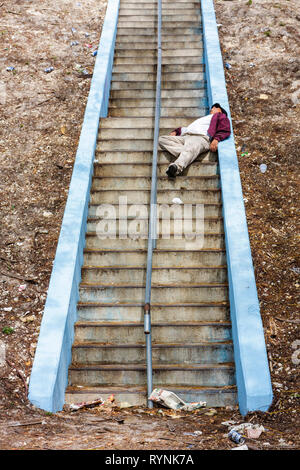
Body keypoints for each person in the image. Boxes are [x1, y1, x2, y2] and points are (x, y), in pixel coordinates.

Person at [158, 103, 231, 177]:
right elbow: (187, 128)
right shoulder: (203, 119)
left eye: (215, 107)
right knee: (162, 139)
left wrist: (216, 139)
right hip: (186, 136)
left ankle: (176, 167)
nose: (212, 109)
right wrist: (176, 131)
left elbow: (225, 129)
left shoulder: (220, 116)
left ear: (220, 110)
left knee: (191, 147)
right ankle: (188, 153)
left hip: (200, 138)